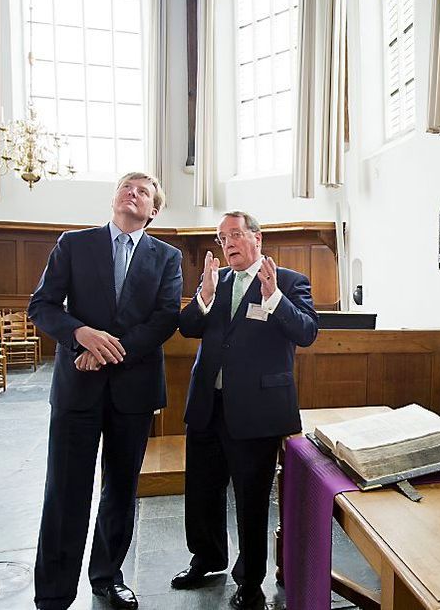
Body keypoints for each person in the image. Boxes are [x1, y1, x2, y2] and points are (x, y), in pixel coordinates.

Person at [29, 172, 183, 610]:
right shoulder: (74, 244)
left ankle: (107, 576)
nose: (132, 192)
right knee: (64, 489)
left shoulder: (167, 257)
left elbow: (164, 319)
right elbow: (41, 306)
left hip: (132, 392)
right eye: (126, 186)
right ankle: (54, 591)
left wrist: (107, 350)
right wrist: (81, 335)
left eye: (144, 191)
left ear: (154, 210)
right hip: (77, 388)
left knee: (120, 490)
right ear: (115, 197)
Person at [170, 210, 318, 610]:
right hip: (207, 405)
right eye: (222, 238)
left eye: (235, 234)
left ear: (257, 238)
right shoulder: (216, 284)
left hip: (257, 409)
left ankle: (250, 580)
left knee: (251, 501)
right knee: (202, 491)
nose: (228, 242)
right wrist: (202, 295)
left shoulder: (288, 281)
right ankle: (207, 557)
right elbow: (187, 327)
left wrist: (273, 297)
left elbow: (306, 332)